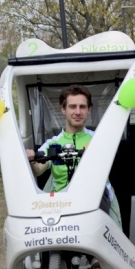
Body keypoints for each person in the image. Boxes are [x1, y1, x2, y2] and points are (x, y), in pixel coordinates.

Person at [27, 85, 121, 225]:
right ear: (63, 109)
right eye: (72, 106)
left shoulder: (99, 140)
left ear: (89, 110)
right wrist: (32, 161)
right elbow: (39, 169)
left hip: (94, 201)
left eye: (82, 107)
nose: (78, 112)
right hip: (61, 204)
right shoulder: (53, 143)